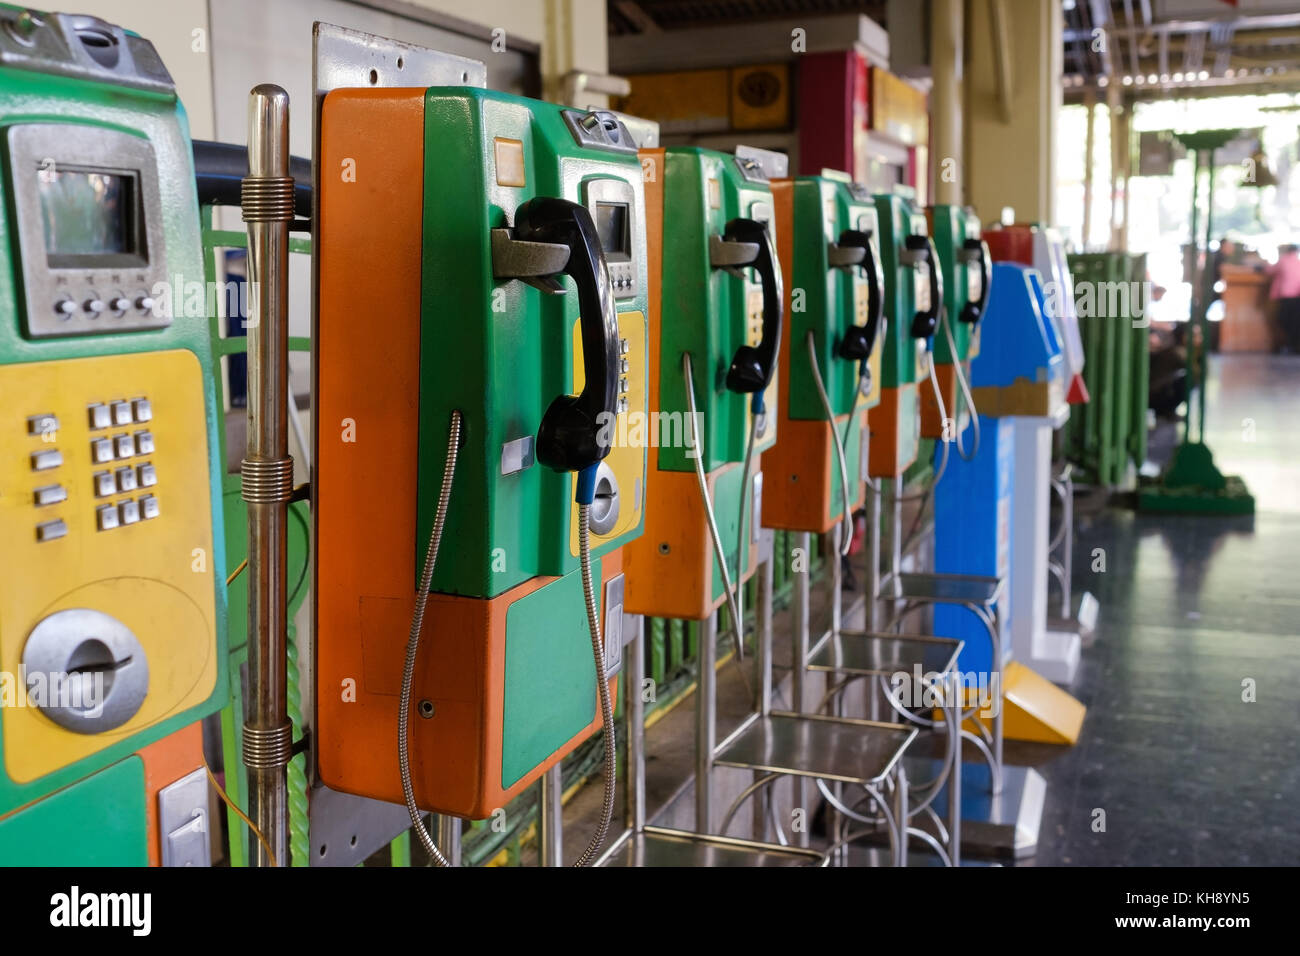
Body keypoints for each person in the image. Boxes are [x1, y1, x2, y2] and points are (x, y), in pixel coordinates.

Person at [1267, 244, 1300, 353]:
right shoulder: (1298, 262)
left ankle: (1289, 345)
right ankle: (1292, 345)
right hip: (1297, 296)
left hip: (1286, 296)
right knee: (1293, 321)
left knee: (1283, 320)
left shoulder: (1283, 261)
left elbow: (1269, 271)